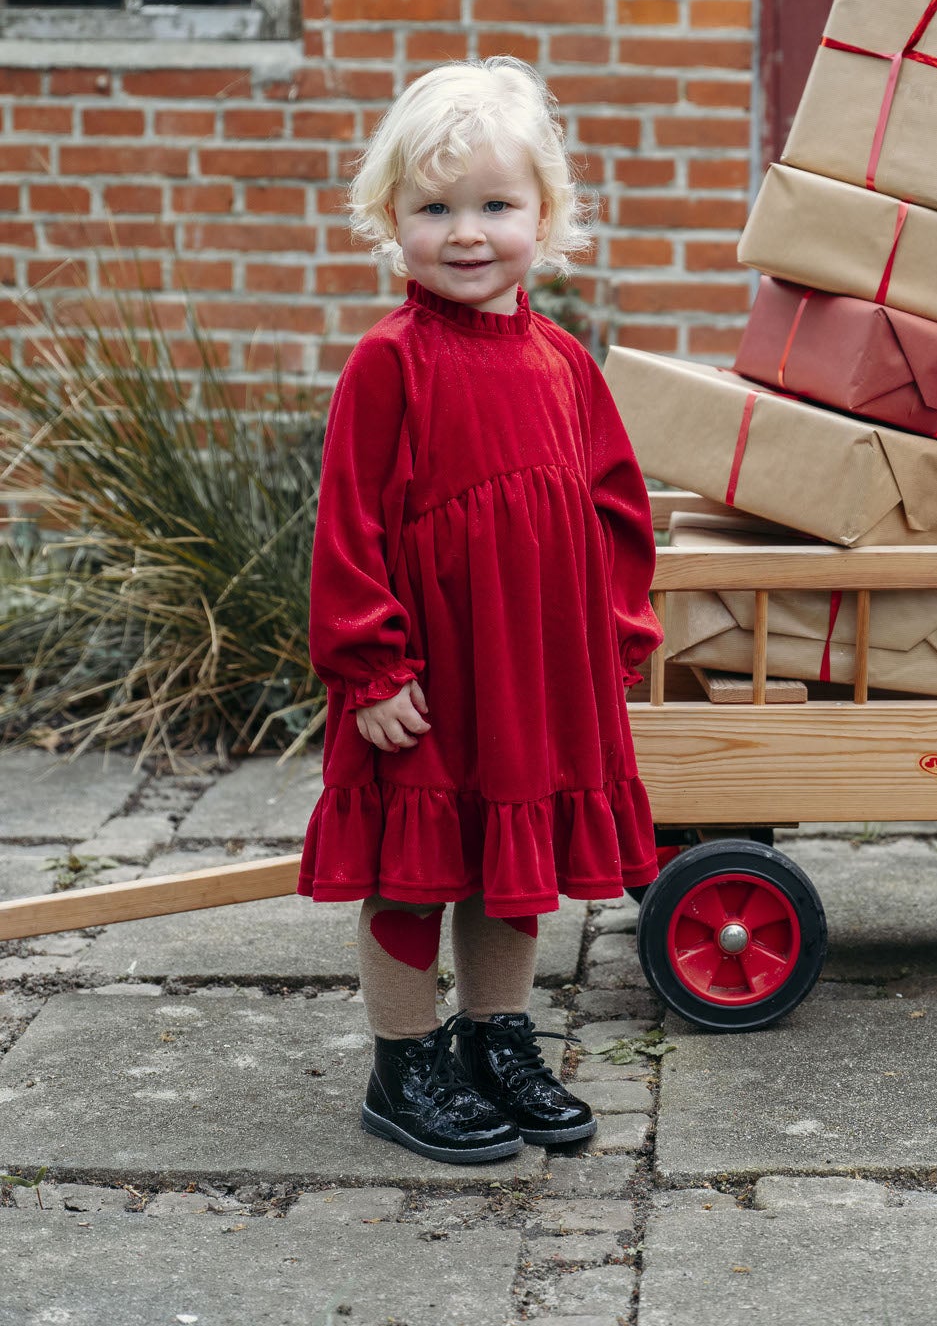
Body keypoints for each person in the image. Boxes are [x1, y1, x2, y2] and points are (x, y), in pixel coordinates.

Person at [298, 56, 662, 1164]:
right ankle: (403, 1061)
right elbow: (349, 525)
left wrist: (615, 637)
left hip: (532, 669)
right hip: (426, 674)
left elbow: (615, 508)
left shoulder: (563, 364)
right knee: (417, 862)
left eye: (496, 205)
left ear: (544, 216)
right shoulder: (389, 363)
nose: (467, 232)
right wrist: (370, 668)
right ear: (390, 219)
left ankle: (496, 1036)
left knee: (512, 861)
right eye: (434, 207)